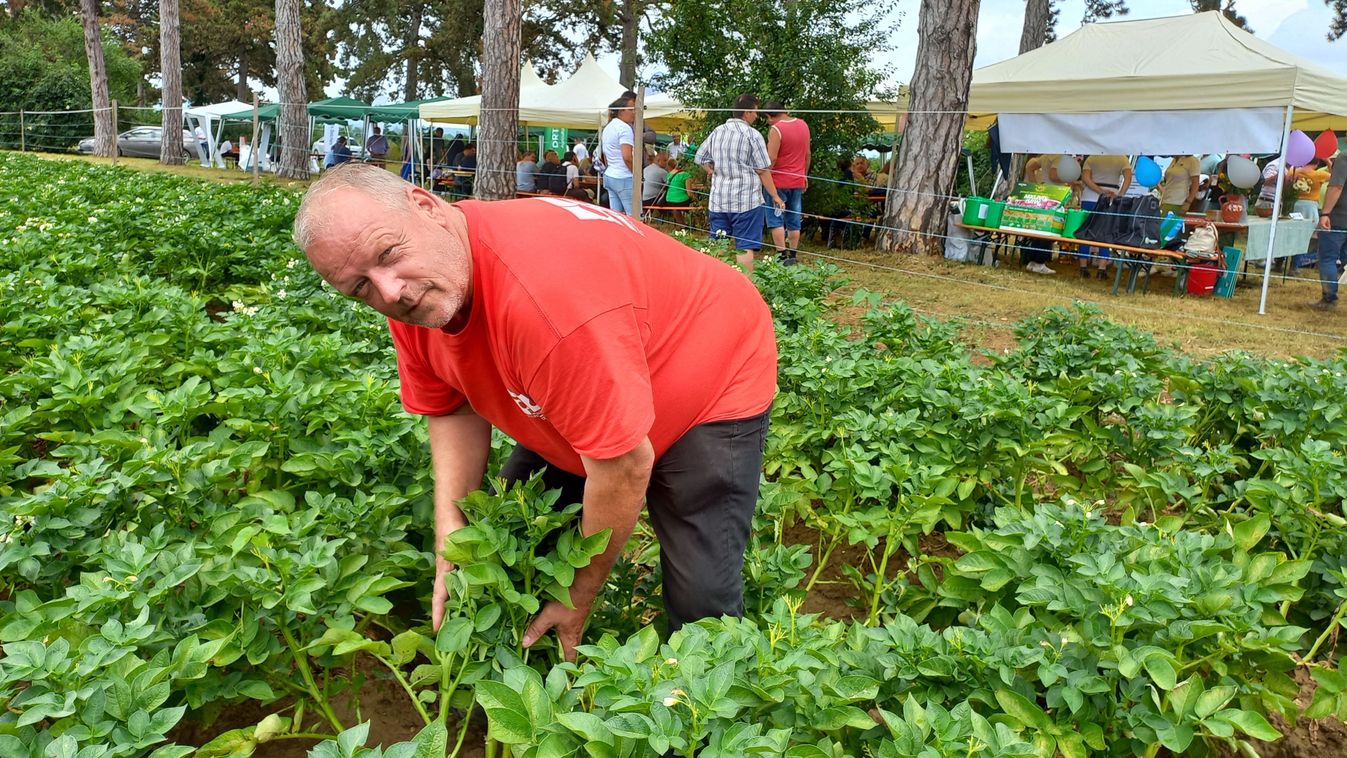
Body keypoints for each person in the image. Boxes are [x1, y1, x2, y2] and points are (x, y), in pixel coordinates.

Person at [292, 164, 778, 659]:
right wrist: (450, 536)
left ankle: (707, 713)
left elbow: (625, 468)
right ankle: (535, 685)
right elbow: (452, 408)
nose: (390, 292)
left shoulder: (544, 299)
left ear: (425, 205)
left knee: (701, 593)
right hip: (598, 359)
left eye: (389, 254)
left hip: (714, 363)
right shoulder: (422, 292)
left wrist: (577, 595)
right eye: (360, 288)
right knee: (508, 536)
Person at [694, 93, 785, 273]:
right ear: (747, 112)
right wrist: (775, 195)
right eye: (755, 112)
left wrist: (711, 171)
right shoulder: (753, 135)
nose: (756, 116)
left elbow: (700, 157)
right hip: (747, 201)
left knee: (717, 246)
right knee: (744, 246)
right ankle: (746, 287)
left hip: (718, 200)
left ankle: (714, 284)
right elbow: (762, 170)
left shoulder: (718, 131)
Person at [763, 102, 810, 266]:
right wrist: (805, 175)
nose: (768, 122)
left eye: (767, 119)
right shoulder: (803, 125)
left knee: (776, 219)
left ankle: (781, 255)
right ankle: (794, 254)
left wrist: (764, 173)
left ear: (770, 115)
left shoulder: (776, 129)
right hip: (797, 180)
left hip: (778, 182)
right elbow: (807, 154)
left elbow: (772, 158)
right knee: (794, 218)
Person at [1079, 154, 1133, 279]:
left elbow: (1086, 178)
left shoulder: (1092, 157)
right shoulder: (1122, 158)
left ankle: (1083, 267)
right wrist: (1120, 194)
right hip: (1111, 198)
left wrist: (1100, 191)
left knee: (1085, 232)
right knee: (1106, 233)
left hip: (1090, 197)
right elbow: (1128, 178)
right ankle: (1101, 269)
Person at [1311, 155, 1346, 309]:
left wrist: (1325, 213)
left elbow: (1336, 187)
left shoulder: (1345, 158)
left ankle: (1329, 299)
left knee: (1327, 259)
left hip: (1338, 218)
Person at [601, 97, 636, 215]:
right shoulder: (625, 128)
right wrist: (637, 174)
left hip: (610, 174)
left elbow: (605, 155)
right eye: (631, 110)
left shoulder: (608, 127)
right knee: (634, 217)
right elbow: (627, 156)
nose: (634, 113)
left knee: (617, 216)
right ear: (621, 111)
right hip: (624, 176)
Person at [662, 158, 694, 226]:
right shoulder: (686, 175)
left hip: (669, 200)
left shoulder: (669, 175)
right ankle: (691, 224)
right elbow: (689, 193)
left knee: (675, 207)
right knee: (693, 203)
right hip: (681, 201)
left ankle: (682, 225)